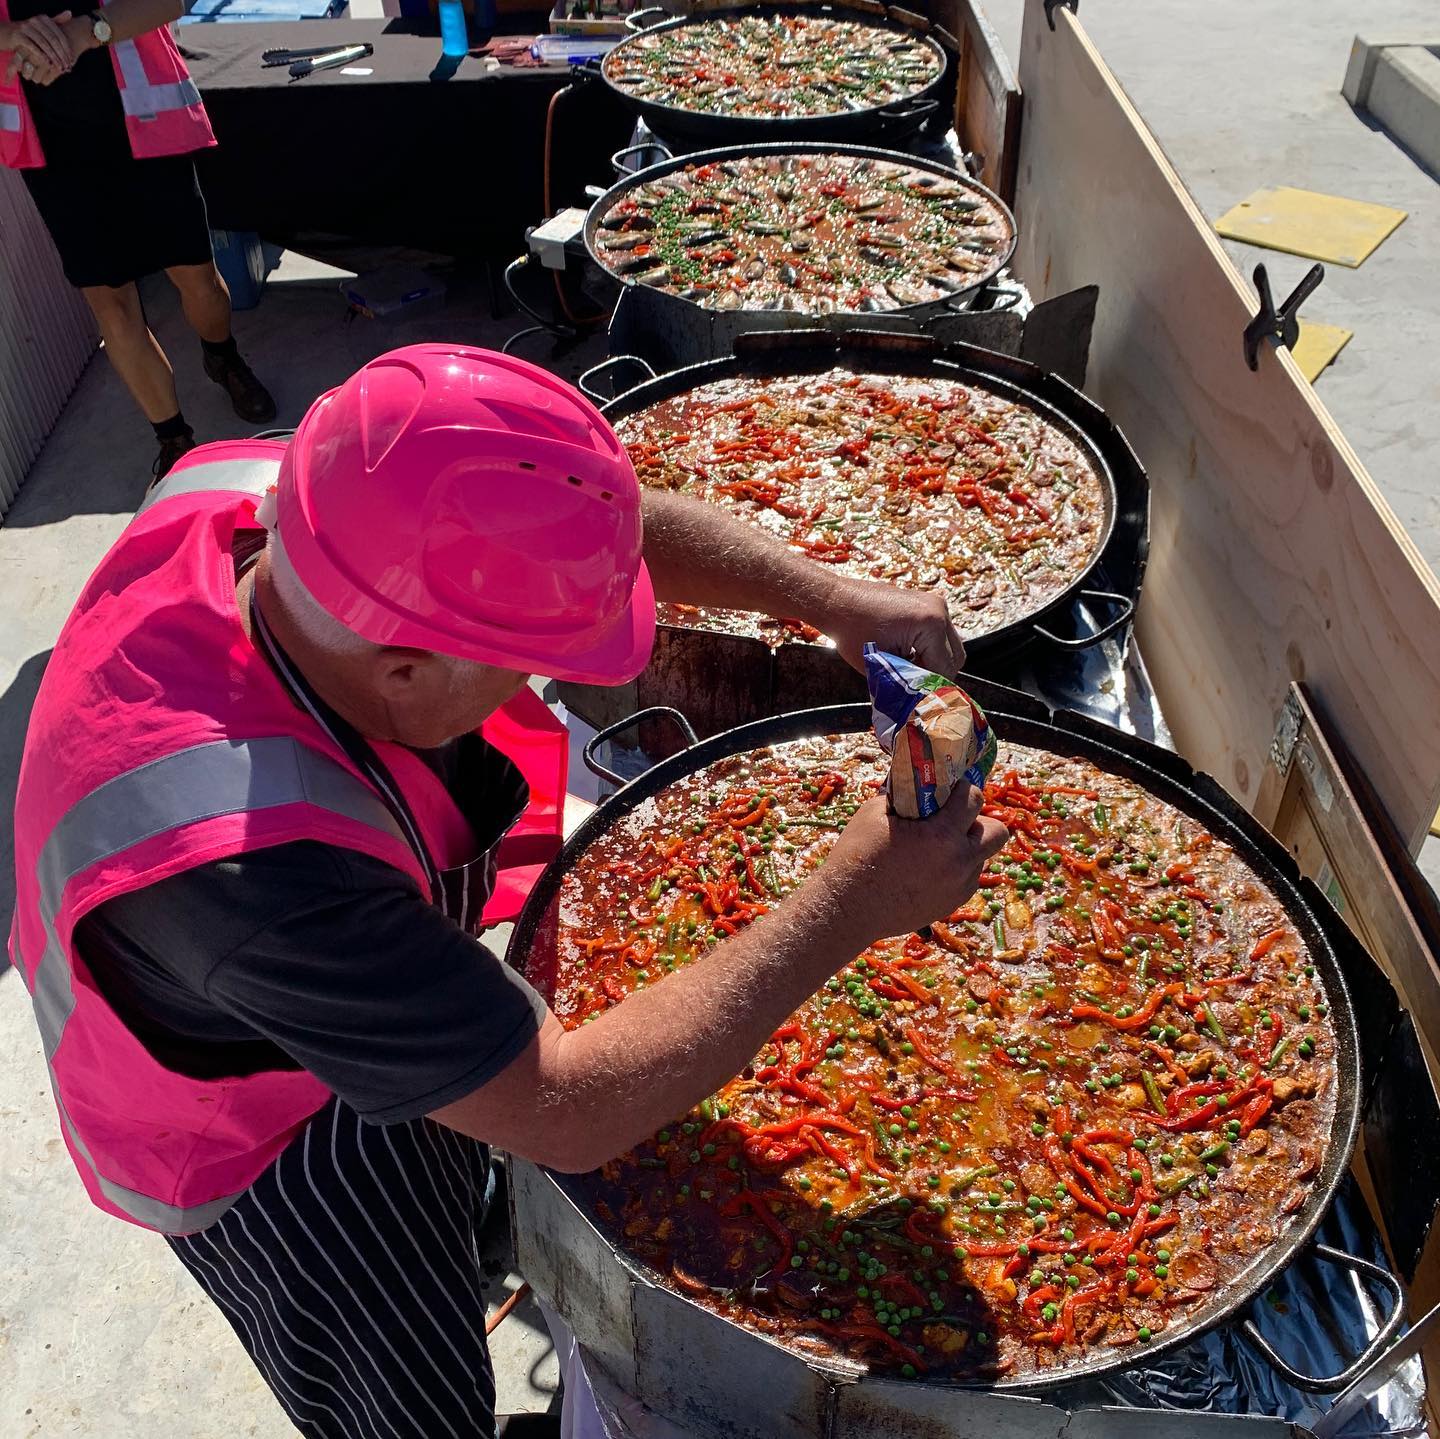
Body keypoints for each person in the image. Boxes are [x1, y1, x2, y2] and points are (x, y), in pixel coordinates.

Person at [10, 345, 1008, 1439]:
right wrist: (856, 896)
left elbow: (586, 529)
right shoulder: (266, 880)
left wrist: (821, 598)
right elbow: (565, 1107)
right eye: (522, 661)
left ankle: (469, 1208)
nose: (544, 678)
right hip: (252, 1147)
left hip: (306, 975)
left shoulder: (325, 495)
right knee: (399, 1371)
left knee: (451, 1132)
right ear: (403, 671)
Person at [0, 0, 274, 482]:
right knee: (111, 304)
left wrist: (87, 32)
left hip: (143, 125)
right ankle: (173, 438)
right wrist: (15, 36)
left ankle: (222, 356)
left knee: (199, 282)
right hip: (53, 150)